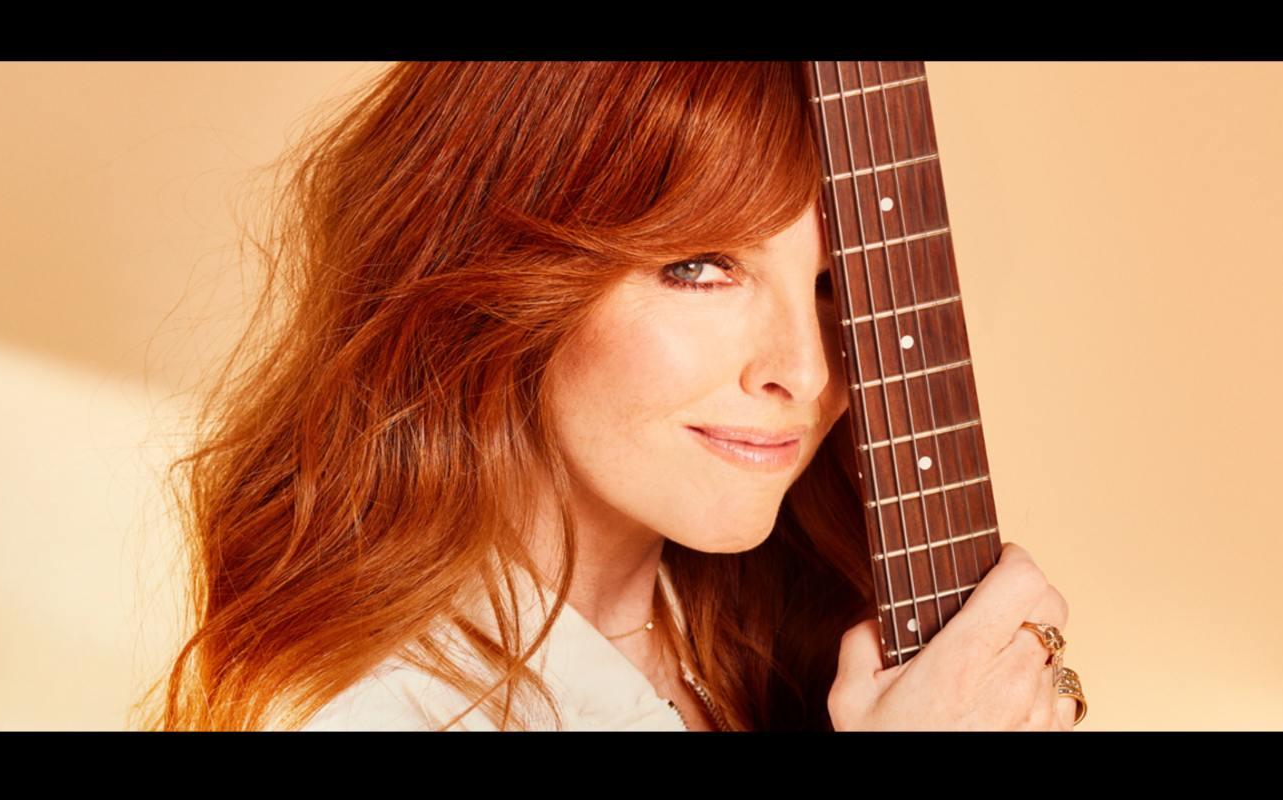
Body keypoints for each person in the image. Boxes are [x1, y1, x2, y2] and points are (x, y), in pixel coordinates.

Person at [152, 61, 1074, 731]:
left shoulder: (772, 625)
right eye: (702, 267)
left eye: (835, 286)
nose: (807, 370)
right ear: (500, 272)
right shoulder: (372, 712)